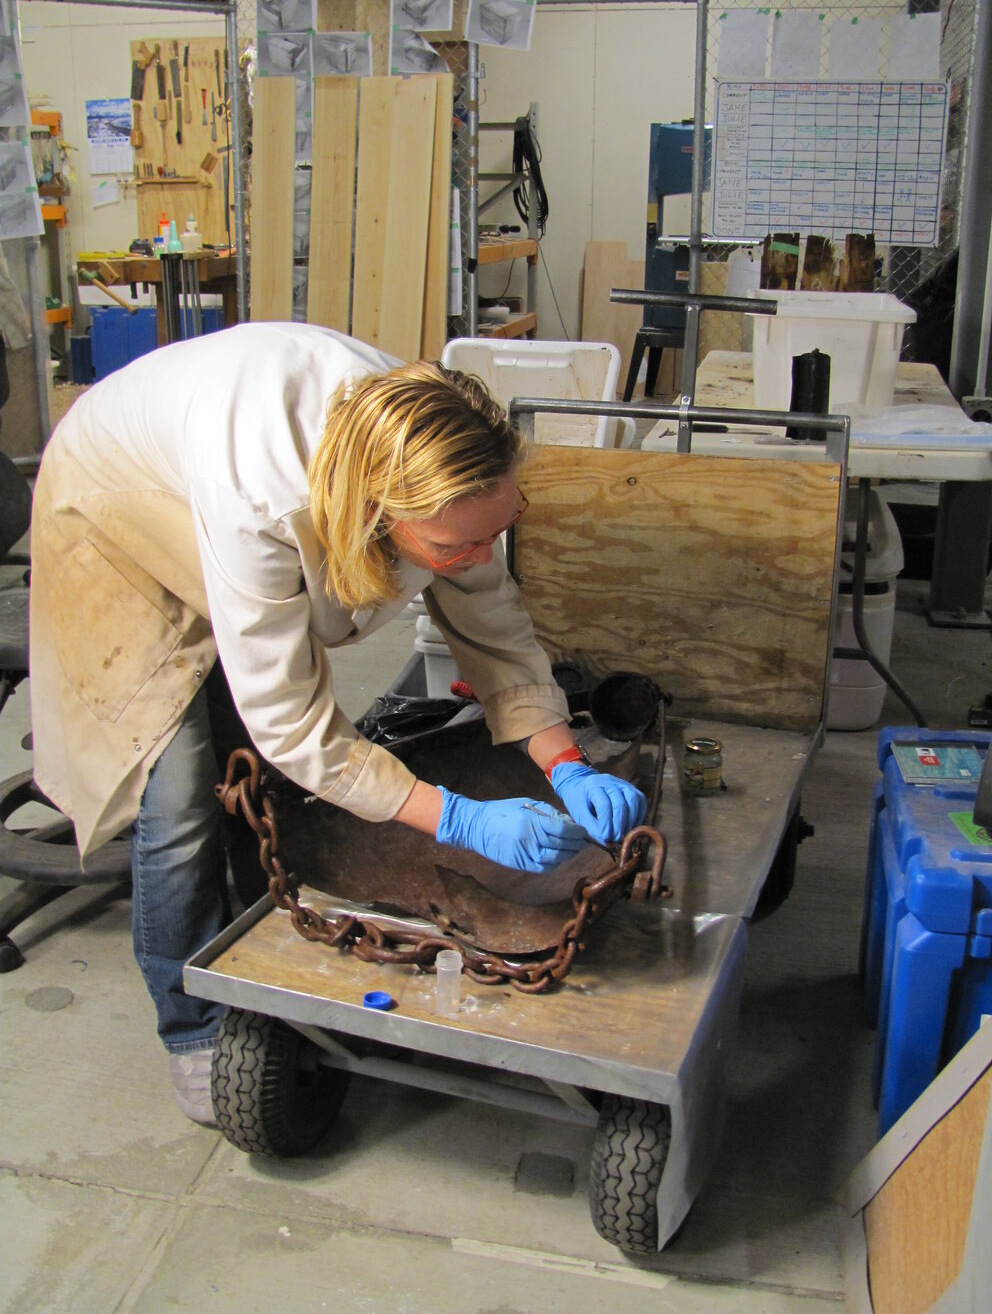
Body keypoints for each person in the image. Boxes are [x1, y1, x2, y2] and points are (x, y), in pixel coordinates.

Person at [29, 323, 646, 1126]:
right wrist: (456, 820)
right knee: (179, 793)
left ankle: (263, 967)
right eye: (458, 543)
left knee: (257, 770)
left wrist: (565, 762)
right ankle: (194, 1030)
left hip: (203, 467)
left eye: (498, 525)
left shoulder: (443, 455)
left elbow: (493, 622)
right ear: (378, 511)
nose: (481, 550)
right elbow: (293, 723)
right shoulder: (262, 498)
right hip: (118, 511)